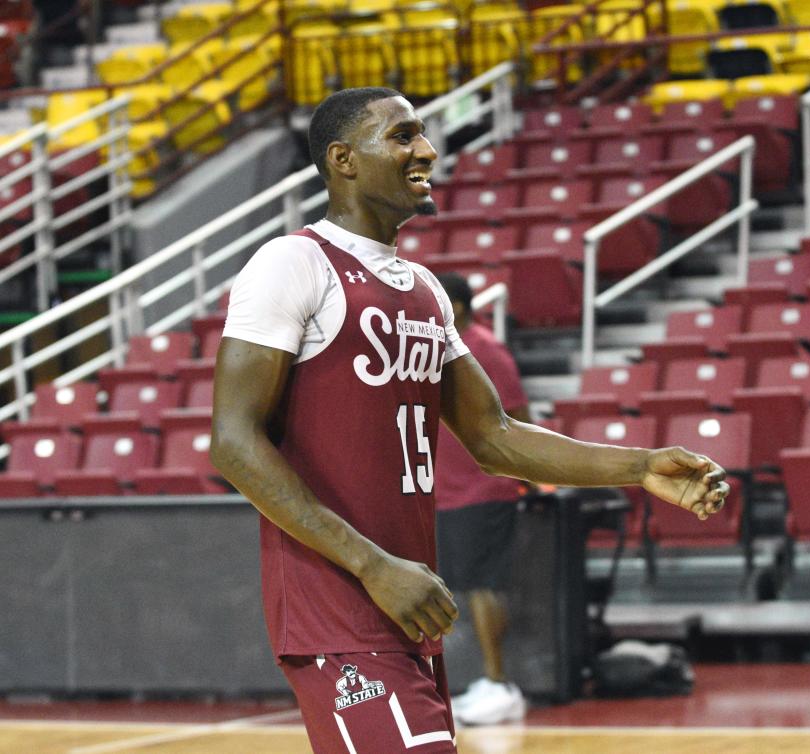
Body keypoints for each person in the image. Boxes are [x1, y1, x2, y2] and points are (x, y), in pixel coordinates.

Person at [210, 86, 729, 754]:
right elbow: (233, 442)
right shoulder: (294, 263)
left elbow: (495, 436)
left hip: (407, 605)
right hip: (340, 607)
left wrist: (640, 466)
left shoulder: (425, 289)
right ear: (343, 159)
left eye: (422, 134)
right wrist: (372, 566)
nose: (426, 149)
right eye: (402, 136)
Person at [433, 272, 529, 727]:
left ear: (460, 305)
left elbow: (520, 419)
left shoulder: (485, 350)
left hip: (484, 488)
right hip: (447, 490)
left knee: (485, 584)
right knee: (470, 587)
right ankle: (491, 683)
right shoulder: (437, 352)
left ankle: (500, 683)